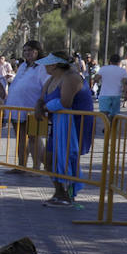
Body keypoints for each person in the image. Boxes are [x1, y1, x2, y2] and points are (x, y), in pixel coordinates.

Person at [36, 50, 95, 208]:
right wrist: (38, 105)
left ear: (54, 65)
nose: (44, 67)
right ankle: (59, 192)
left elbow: (66, 103)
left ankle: (68, 195)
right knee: (47, 158)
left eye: (47, 64)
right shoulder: (52, 79)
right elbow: (42, 97)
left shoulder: (71, 78)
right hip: (58, 123)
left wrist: (46, 107)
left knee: (67, 158)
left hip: (75, 124)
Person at [5, 40, 49, 173]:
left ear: (37, 51)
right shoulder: (23, 66)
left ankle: (37, 167)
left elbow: (46, 85)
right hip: (17, 107)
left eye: (30, 50)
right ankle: (21, 165)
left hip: (33, 108)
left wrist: (41, 103)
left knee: (34, 138)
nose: (27, 53)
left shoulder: (42, 66)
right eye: (25, 51)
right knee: (20, 137)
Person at [95, 53, 127, 118]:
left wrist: (99, 80)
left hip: (104, 94)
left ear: (110, 61)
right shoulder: (122, 71)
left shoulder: (103, 69)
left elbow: (96, 79)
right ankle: (112, 127)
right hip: (116, 95)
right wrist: (126, 95)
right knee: (114, 116)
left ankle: (106, 127)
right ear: (119, 62)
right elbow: (125, 84)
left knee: (104, 114)